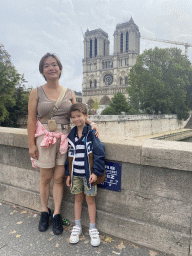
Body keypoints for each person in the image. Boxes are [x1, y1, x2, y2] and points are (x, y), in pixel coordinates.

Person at [27, 53, 98, 235]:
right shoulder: (36, 92)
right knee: (45, 178)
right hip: (44, 139)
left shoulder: (69, 92)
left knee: (59, 178)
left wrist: (92, 124)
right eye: (46, 65)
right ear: (42, 71)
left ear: (60, 68)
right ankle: (44, 211)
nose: (51, 68)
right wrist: (31, 145)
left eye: (54, 64)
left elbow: (79, 113)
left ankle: (57, 213)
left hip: (65, 139)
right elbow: (30, 119)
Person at [65, 103, 105, 246]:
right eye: (73, 117)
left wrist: (96, 172)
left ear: (86, 116)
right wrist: (68, 174)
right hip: (75, 174)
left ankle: (93, 229)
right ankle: (77, 226)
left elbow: (100, 153)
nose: (76, 119)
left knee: (90, 201)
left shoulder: (91, 133)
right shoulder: (71, 135)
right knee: (77, 200)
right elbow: (68, 157)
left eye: (79, 116)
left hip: (88, 175)